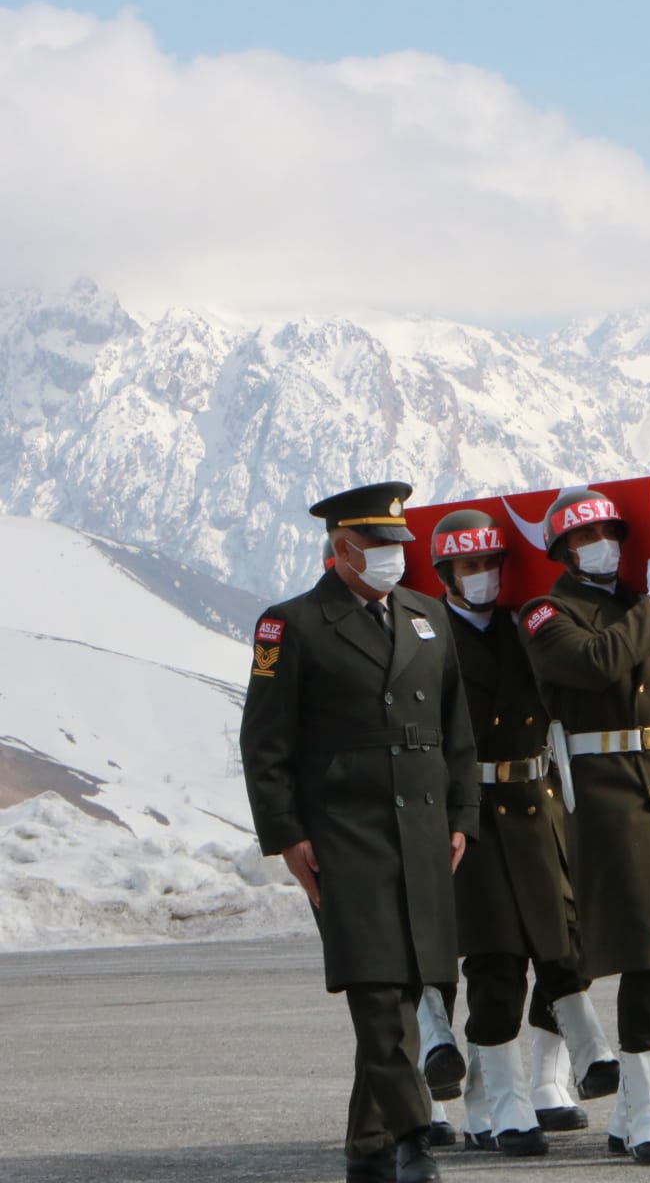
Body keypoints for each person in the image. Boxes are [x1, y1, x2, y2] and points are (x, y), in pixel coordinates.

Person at [239, 481, 480, 1183]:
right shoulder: (291, 625)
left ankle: (368, 1150)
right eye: (378, 547)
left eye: (399, 545)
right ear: (341, 549)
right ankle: (412, 1137)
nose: (393, 558)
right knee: (376, 992)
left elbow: (455, 731)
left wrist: (461, 816)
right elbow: (266, 742)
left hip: (426, 831)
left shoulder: (428, 616)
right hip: (345, 833)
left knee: (412, 991)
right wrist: (286, 834)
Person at [517, 488, 650, 1166]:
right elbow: (595, 662)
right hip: (610, 792)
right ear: (563, 551)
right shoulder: (548, 611)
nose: (601, 543)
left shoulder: (645, 603)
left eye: (608, 531)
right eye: (585, 537)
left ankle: (638, 1107)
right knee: (648, 948)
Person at [411, 509, 618, 1157]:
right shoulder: (425, 637)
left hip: (535, 804)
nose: (484, 577)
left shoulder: (527, 627)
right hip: (467, 816)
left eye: (491, 564)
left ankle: (559, 1069)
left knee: (563, 945)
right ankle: (503, 1104)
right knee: (497, 964)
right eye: (470, 567)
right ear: (445, 573)